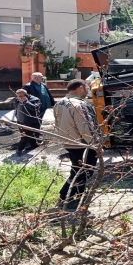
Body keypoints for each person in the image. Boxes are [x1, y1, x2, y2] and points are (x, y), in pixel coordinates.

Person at [53, 79, 100, 211]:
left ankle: (67, 197)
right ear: (80, 87)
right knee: (83, 173)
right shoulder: (79, 105)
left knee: (76, 171)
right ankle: (71, 198)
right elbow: (86, 128)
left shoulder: (59, 103)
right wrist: (96, 144)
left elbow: (57, 124)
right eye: (87, 88)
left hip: (68, 142)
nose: (88, 91)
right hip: (83, 145)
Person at [13, 89, 41, 156]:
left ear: (26, 94)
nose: (19, 98)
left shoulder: (35, 99)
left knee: (25, 136)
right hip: (20, 121)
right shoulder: (17, 99)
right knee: (29, 134)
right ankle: (34, 144)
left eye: (21, 96)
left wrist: (26, 102)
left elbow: (36, 109)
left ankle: (20, 149)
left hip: (30, 121)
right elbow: (16, 108)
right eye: (18, 96)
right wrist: (16, 115)